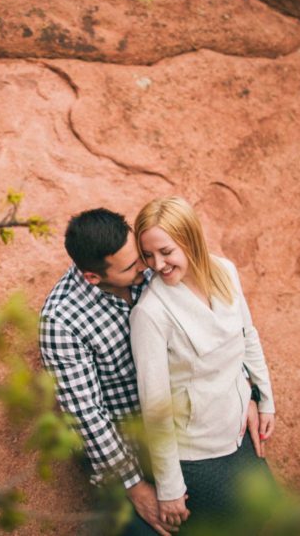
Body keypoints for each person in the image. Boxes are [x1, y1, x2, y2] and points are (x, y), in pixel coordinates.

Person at [39, 207, 263, 536]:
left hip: (185, 424)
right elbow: (88, 416)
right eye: (135, 265)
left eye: (142, 255)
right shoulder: (61, 322)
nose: (150, 266)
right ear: (93, 277)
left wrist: (246, 390)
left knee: (249, 507)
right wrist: (135, 488)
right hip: (128, 445)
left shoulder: (151, 265)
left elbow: (218, 323)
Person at [129, 196, 276, 530]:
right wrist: (169, 488)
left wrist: (265, 400)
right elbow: (155, 406)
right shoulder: (150, 313)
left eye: (166, 252)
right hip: (195, 450)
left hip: (237, 431)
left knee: (267, 514)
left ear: (190, 239)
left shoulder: (225, 271)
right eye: (148, 255)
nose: (157, 264)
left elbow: (247, 335)